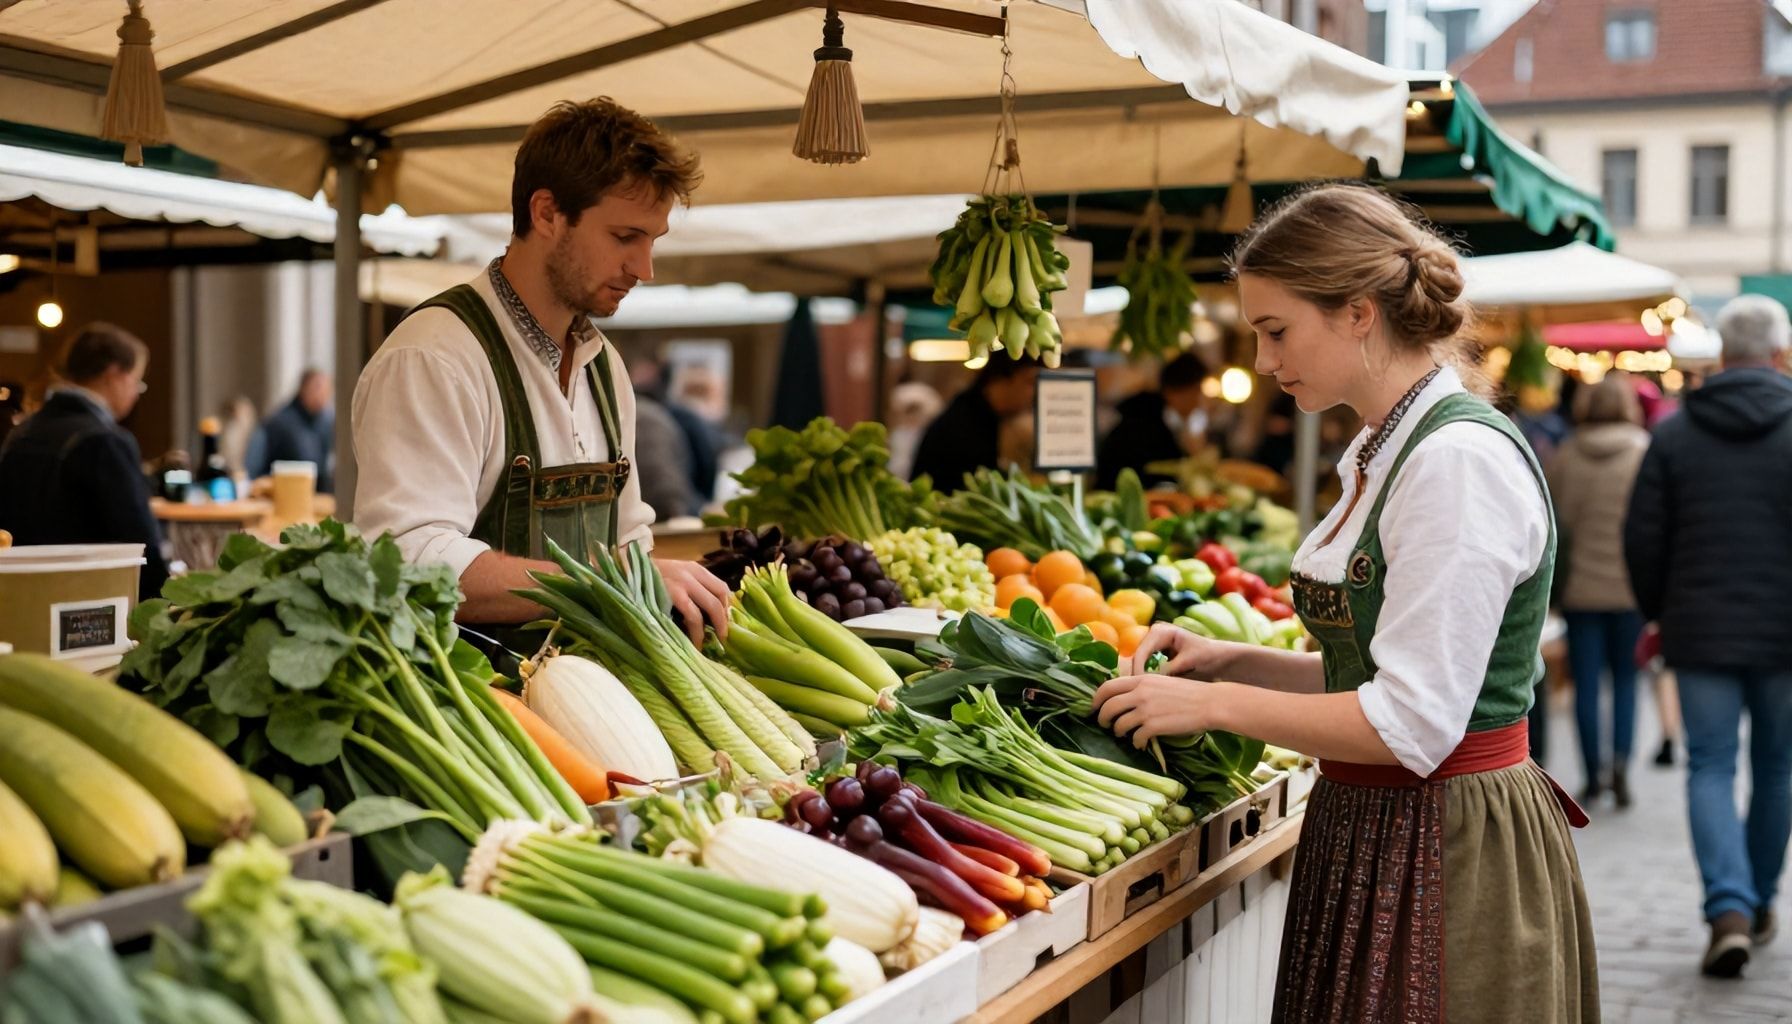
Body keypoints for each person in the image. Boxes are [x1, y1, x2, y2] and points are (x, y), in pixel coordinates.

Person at [1092, 185, 1596, 1022]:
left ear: (1359, 313)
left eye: (1276, 330)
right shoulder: (1386, 445)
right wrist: (1230, 660)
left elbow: (1411, 724)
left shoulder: (1453, 463)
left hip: (1443, 844)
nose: (1262, 361)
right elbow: (1379, 674)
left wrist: (1211, 702)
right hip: (1376, 828)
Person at [352, 98, 729, 648]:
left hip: (595, 697)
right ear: (547, 212)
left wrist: (652, 576)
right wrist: (607, 583)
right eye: (625, 237)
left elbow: (626, 539)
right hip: (477, 705)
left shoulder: (606, 369)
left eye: (653, 240)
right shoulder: (435, 357)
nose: (644, 268)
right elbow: (411, 560)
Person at [1623, 293, 1792, 977]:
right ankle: (1756, 904)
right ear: (1780, 356)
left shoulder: (1675, 432)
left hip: (1699, 631)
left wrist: (1661, 609)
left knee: (1712, 765)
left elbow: (1641, 537)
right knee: (1778, 767)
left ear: (1722, 355)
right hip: (1787, 634)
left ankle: (1727, 905)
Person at [0, 323, 169, 599]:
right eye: (136, 381)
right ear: (114, 375)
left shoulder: (21, 434)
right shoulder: (104, 441)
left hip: (20, 601)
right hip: (88, 607)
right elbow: (140, 544)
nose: (136, 393)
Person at [1545, 372, 1651, 809]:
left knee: (1586, 682)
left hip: (1581, 592)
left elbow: (1554, 525)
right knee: (1627, 680)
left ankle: (1592, 773)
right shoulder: (1644, 452)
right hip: (1630, 589)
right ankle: (1622, 763)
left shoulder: (1566, 456)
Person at [908, 355, 1038, 487]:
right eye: (1030, 382)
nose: (1035, 393)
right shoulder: (962, 426)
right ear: (1002, 378)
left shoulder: (983, 415)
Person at [1094, 351, 1208, 490]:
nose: (1198, 400)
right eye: (1197, 390)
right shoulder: (1145, 425)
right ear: (1180, 390)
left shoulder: (1152, 415)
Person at [248, 369, 334, 492]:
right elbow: (255, 467)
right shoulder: (279, 423)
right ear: (303, 388)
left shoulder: (327, 422)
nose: (323, 394)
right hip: (286, 495)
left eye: (327, 389)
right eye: (317, 388)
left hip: (319, 497)